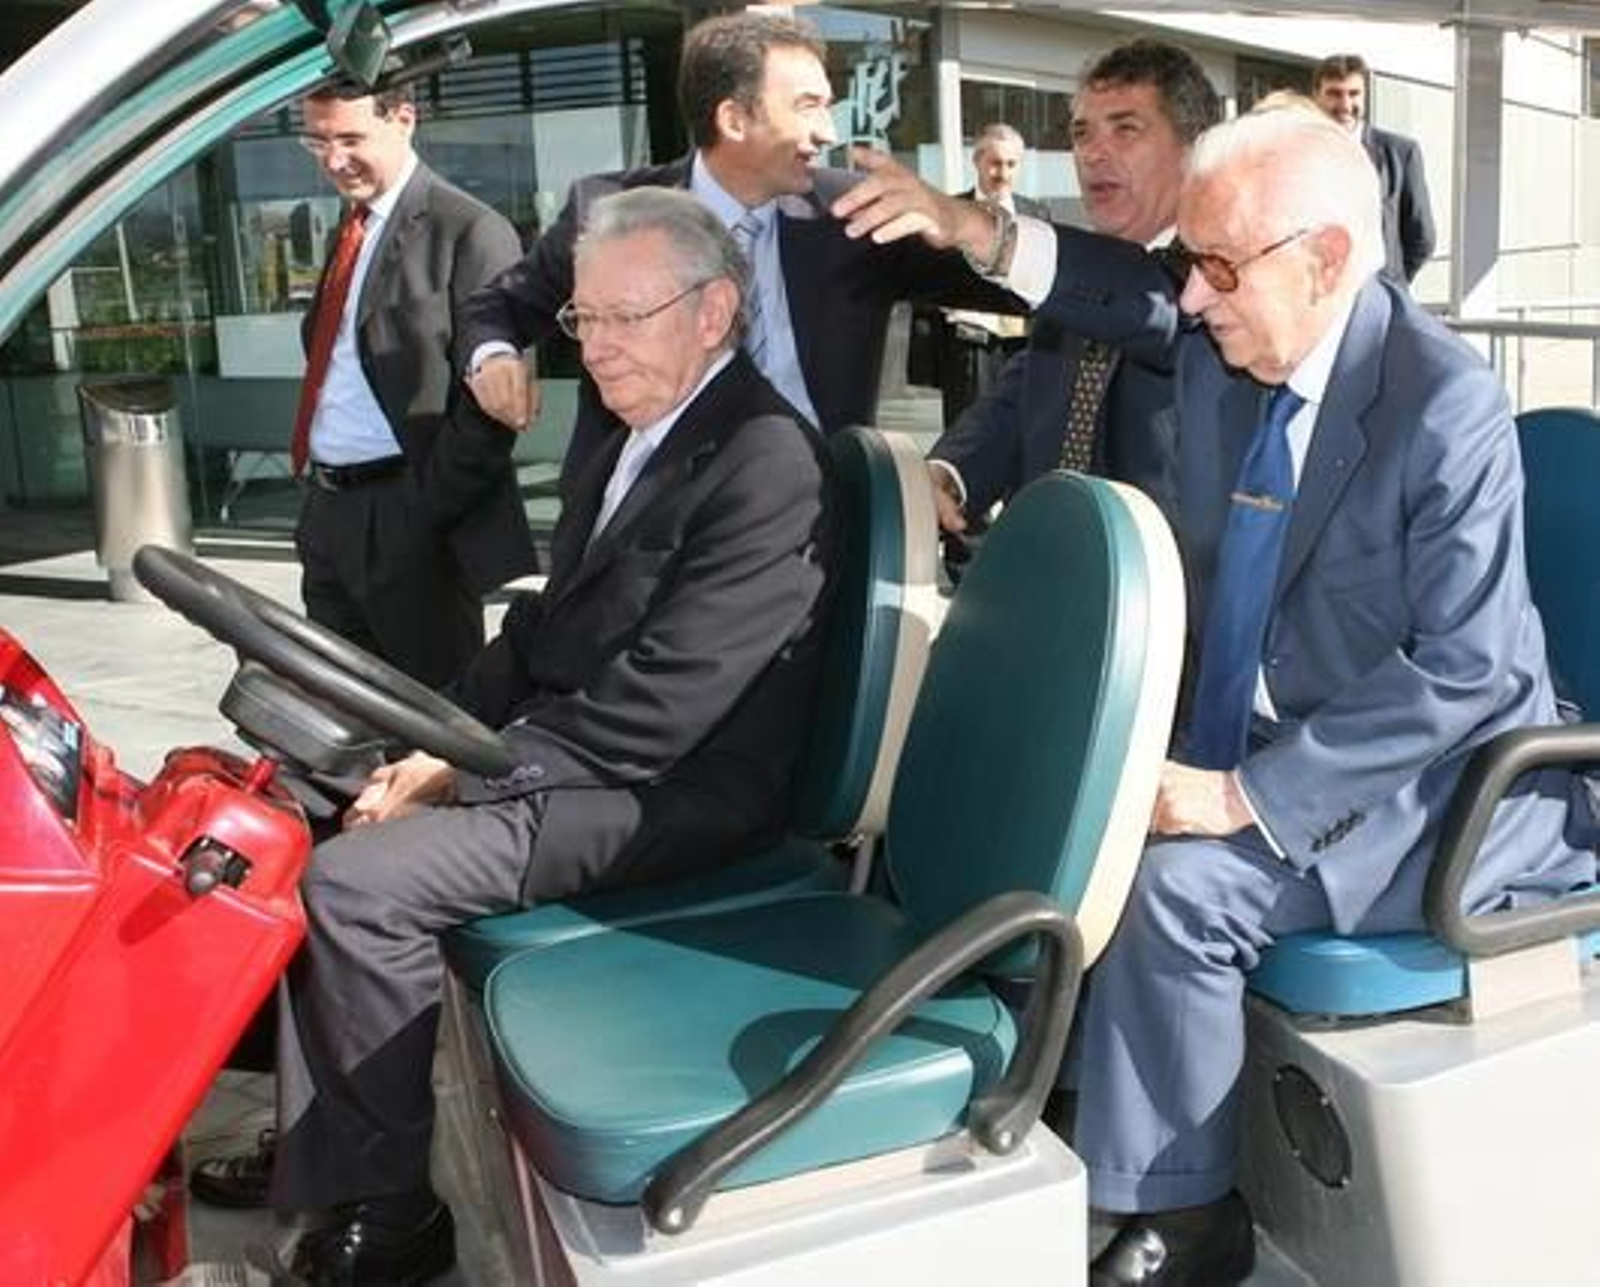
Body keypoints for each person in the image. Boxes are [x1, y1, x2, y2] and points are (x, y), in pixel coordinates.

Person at [832, 108, 1597, 1285]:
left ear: (1327, 259)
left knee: (1174, 889)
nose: (1192, 298)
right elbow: (1113, 295)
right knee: (1056, 805)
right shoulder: (1229, 357)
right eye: (1192, 265)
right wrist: (974, 230)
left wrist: (1244, 796)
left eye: (1219, 268)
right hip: (1267, 728)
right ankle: (1055, 1112)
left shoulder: (1442, 406)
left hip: (1442, 791)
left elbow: (1472, 669)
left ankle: (1189, 1216)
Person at [202, 188, 840, 1284]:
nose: (594, 349)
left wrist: (462, 774)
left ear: (713, 310)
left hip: (679, 791)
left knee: (361, 886)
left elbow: (668, 702)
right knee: (286, 803)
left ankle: (394, 1213)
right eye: (584, 322)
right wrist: (431, 724)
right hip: (584, 752)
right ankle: (315, 1142)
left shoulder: (766, 458)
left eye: (625, 319)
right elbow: (544, 626)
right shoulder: (632, 427)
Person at [458, 10, 1023, 486]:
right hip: (646, 526)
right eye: (807, 105)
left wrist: (958, 218)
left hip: (814, 521)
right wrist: (495, 357)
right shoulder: (606, 211)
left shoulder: (854, 212)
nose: (828, 131)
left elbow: (1014, 283)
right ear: (734, 118)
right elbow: (499, 306)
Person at [927, 40, 1220, 544]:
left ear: (1193, 148)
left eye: (1125, 129)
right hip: (1052, 577)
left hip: (1171, 605)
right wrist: (950, 473)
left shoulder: (1223, 272)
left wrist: (988, 234)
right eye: (1081, 133)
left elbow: (1154, 309)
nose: (1092, 153)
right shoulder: (1075, 276)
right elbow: (1024, 397)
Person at [291, 84, 532, 688]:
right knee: (335, 714)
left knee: (429, 718)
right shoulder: (348, 231)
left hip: (407, 513)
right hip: (329, 513)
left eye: (350, 139)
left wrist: (424, 513)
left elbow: (495, 402)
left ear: (404, 119)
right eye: (316, 141)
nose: (332, 160)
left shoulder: (471, 230)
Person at [905, 122, 1049, 426]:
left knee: (1020, 437)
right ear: (977, 161)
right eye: (995, 163)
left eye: (1011, 164)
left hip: (1021, 349)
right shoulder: (950, 211)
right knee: (967, 439)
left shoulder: (1037, 215)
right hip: (970, 347)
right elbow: (927, 285)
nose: (1004, 174)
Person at [1312, 53, 1436, 286]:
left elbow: (1422, 238)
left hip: (1380, 302)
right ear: (1316, 96)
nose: (1345, 105)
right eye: (1334, 93)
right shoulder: (1298, 155)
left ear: (1365, 95)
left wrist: (1392, 286)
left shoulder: (1401, 153)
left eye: (1354, 94)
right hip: (1318, 302)